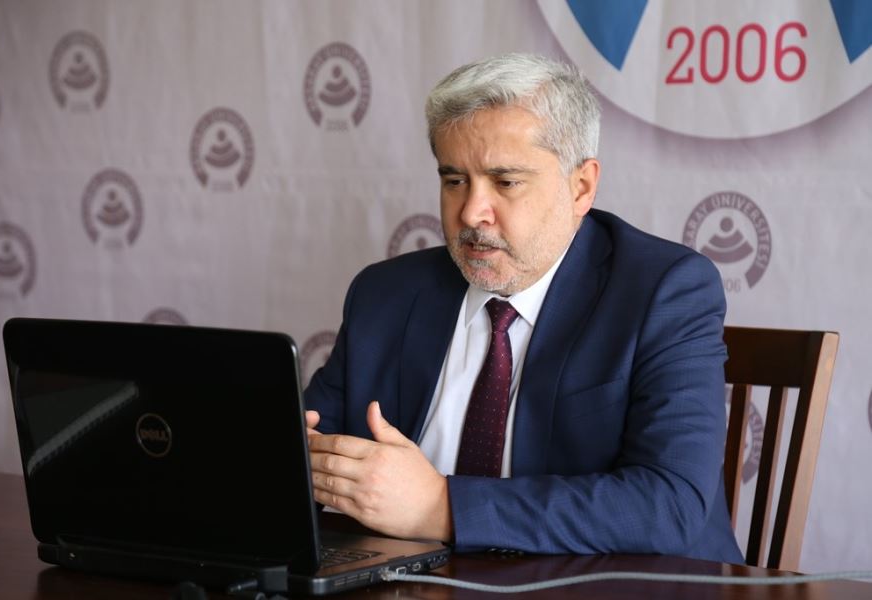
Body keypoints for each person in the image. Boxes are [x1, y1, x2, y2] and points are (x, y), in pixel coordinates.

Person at [303, 53, 743, 564]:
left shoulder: (664, 291)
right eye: (454, 181)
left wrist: (440, 507)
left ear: (580, 187)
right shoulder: (385, 294)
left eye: (505, 182)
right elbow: (308, 449)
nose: (472, 212)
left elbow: (669, 504)